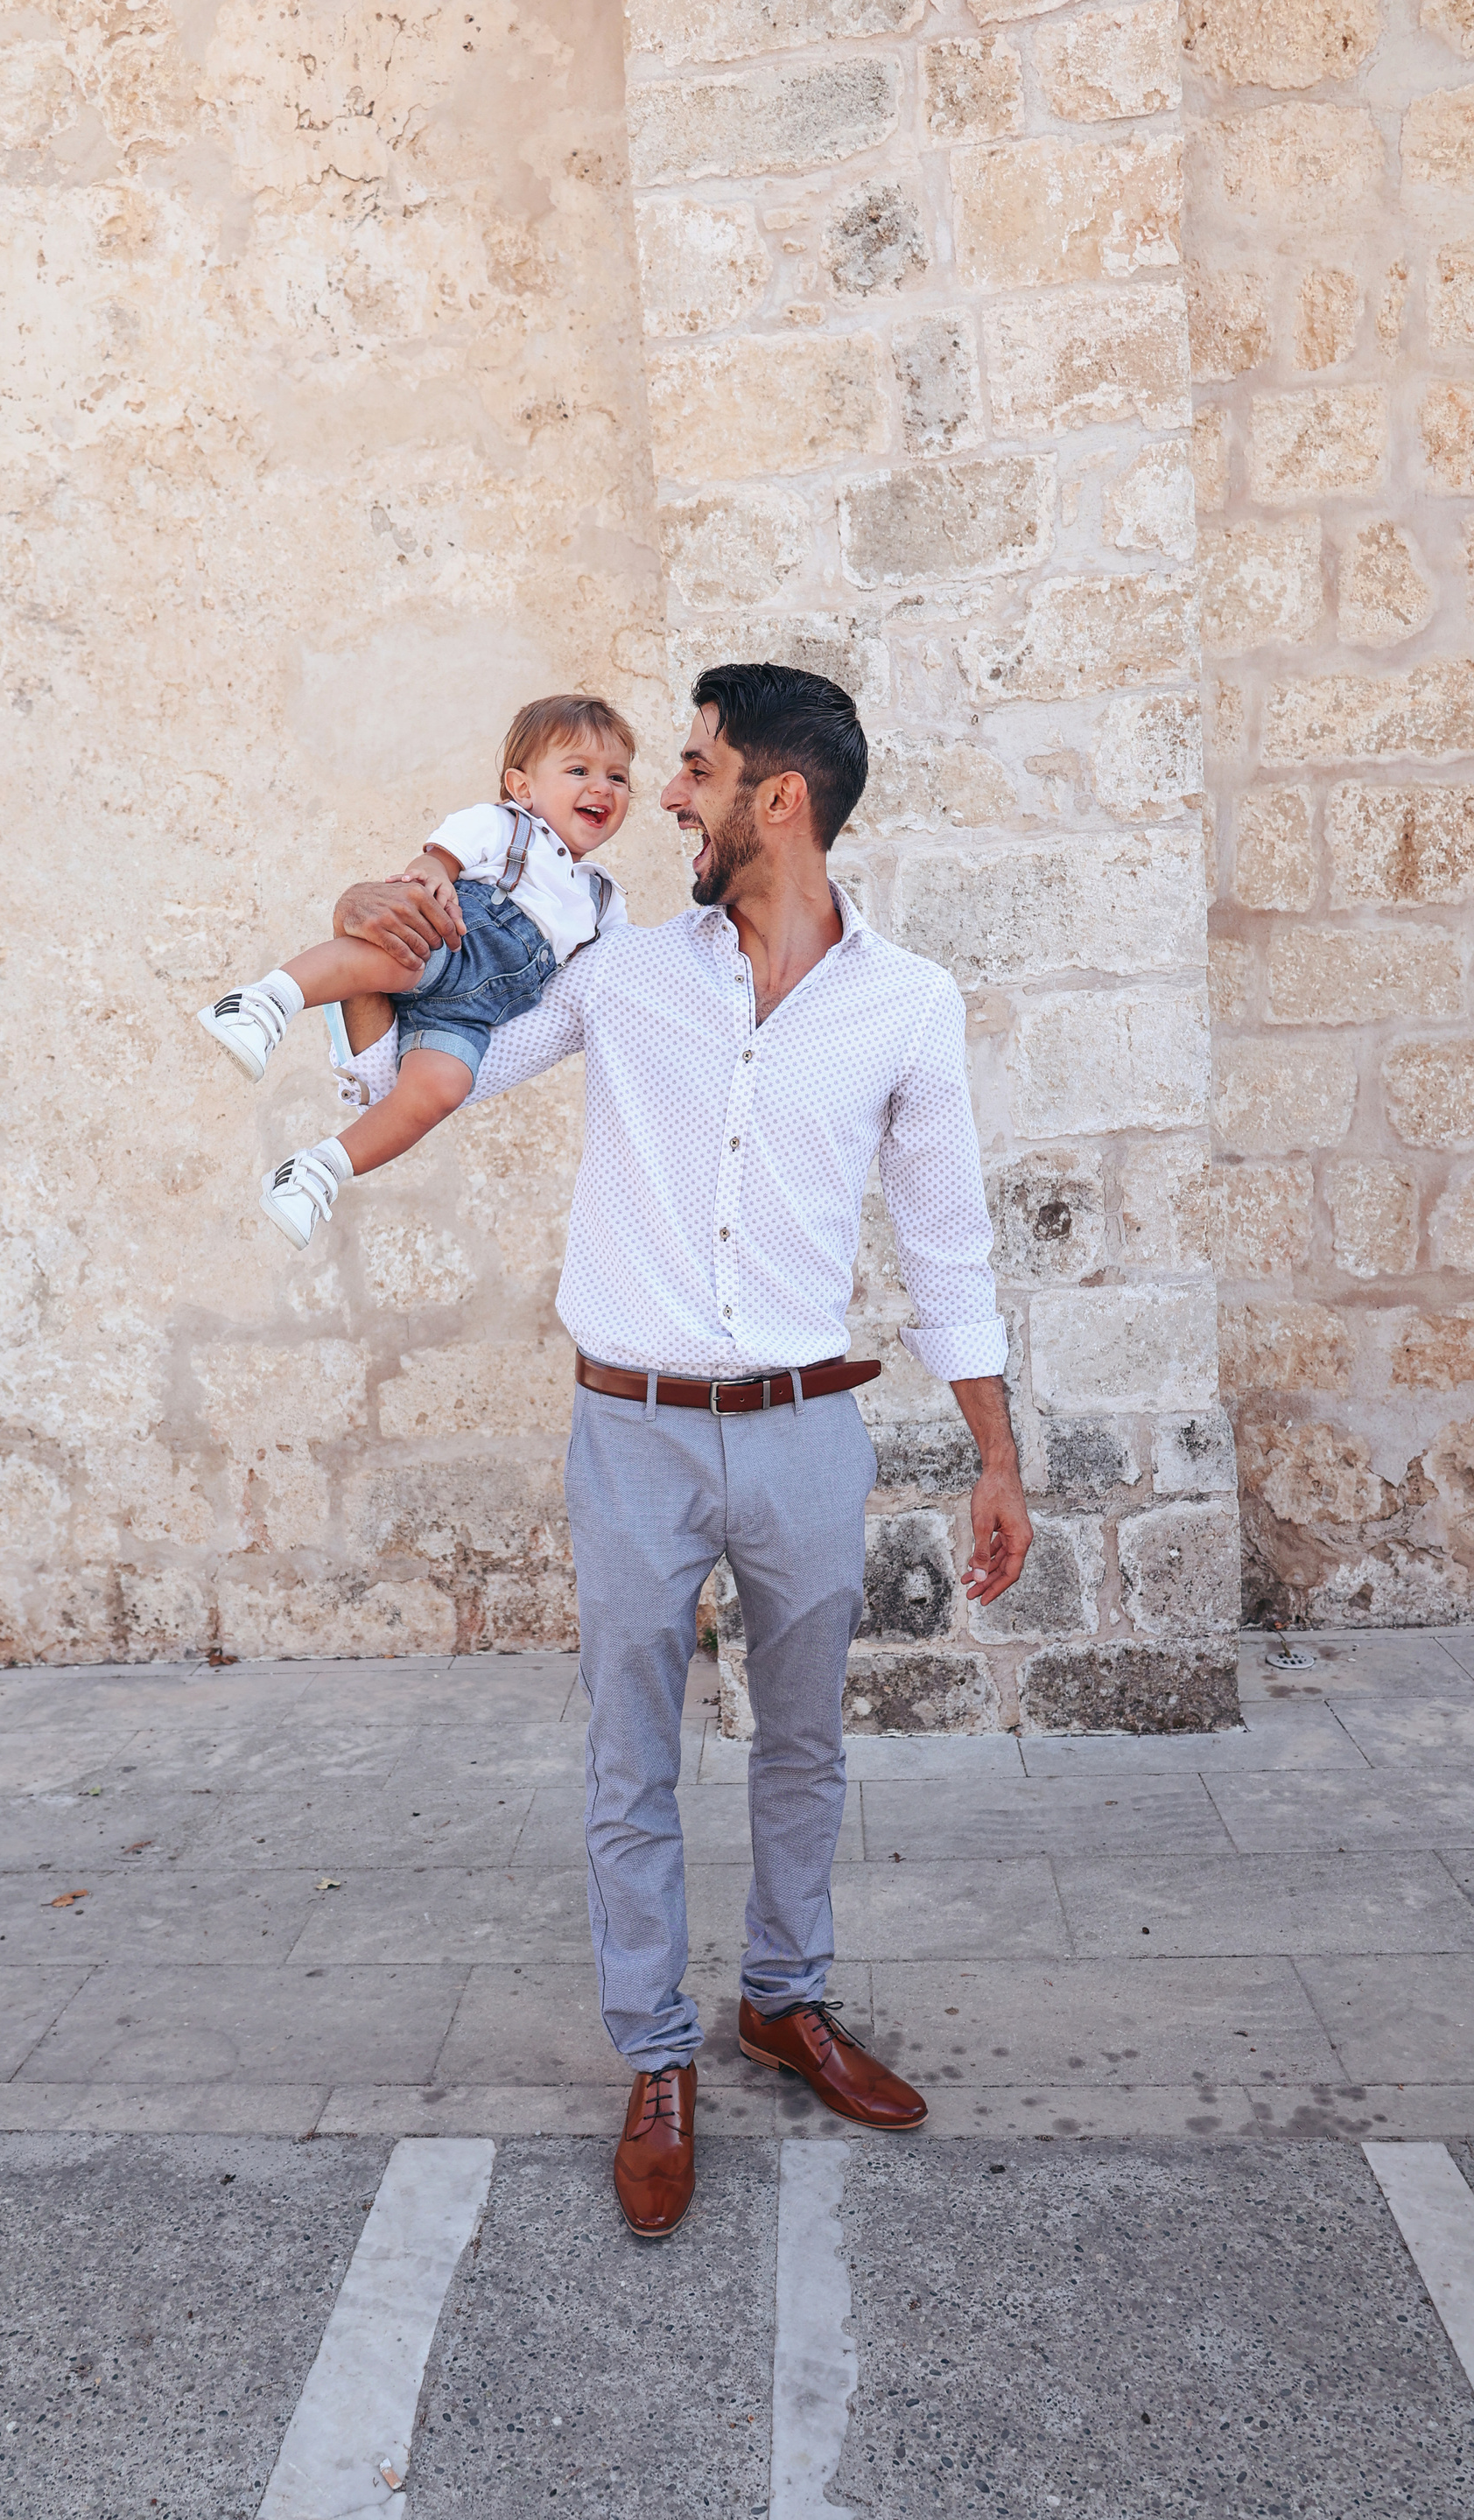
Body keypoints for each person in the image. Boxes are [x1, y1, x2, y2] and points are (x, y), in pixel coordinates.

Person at [330, 662, 1033, 2239]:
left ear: (779, 801)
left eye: (697, 771)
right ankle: (656, 2058)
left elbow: (950, 1246)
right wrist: (370, 955)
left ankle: (784, 2002)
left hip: (807, 1434)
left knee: (805, 1745)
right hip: (632, 1433)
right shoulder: (622, 972)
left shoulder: (909, 1005)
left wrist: (997, 1458)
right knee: (630, 1758)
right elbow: (419, 1080)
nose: (664, 796)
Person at [196, 694, 633, 1247]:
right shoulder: (507, 827)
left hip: (476, 1014)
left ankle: (315, 1172)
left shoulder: (602, 897)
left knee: (441, 1089)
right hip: (456, 942)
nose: (602, 788)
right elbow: (437, 860)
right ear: (522, 788)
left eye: (618, 777)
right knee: (395, 957)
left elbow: (620, 970)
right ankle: (262, 1002)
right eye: (579, 771)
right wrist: (430, 875)